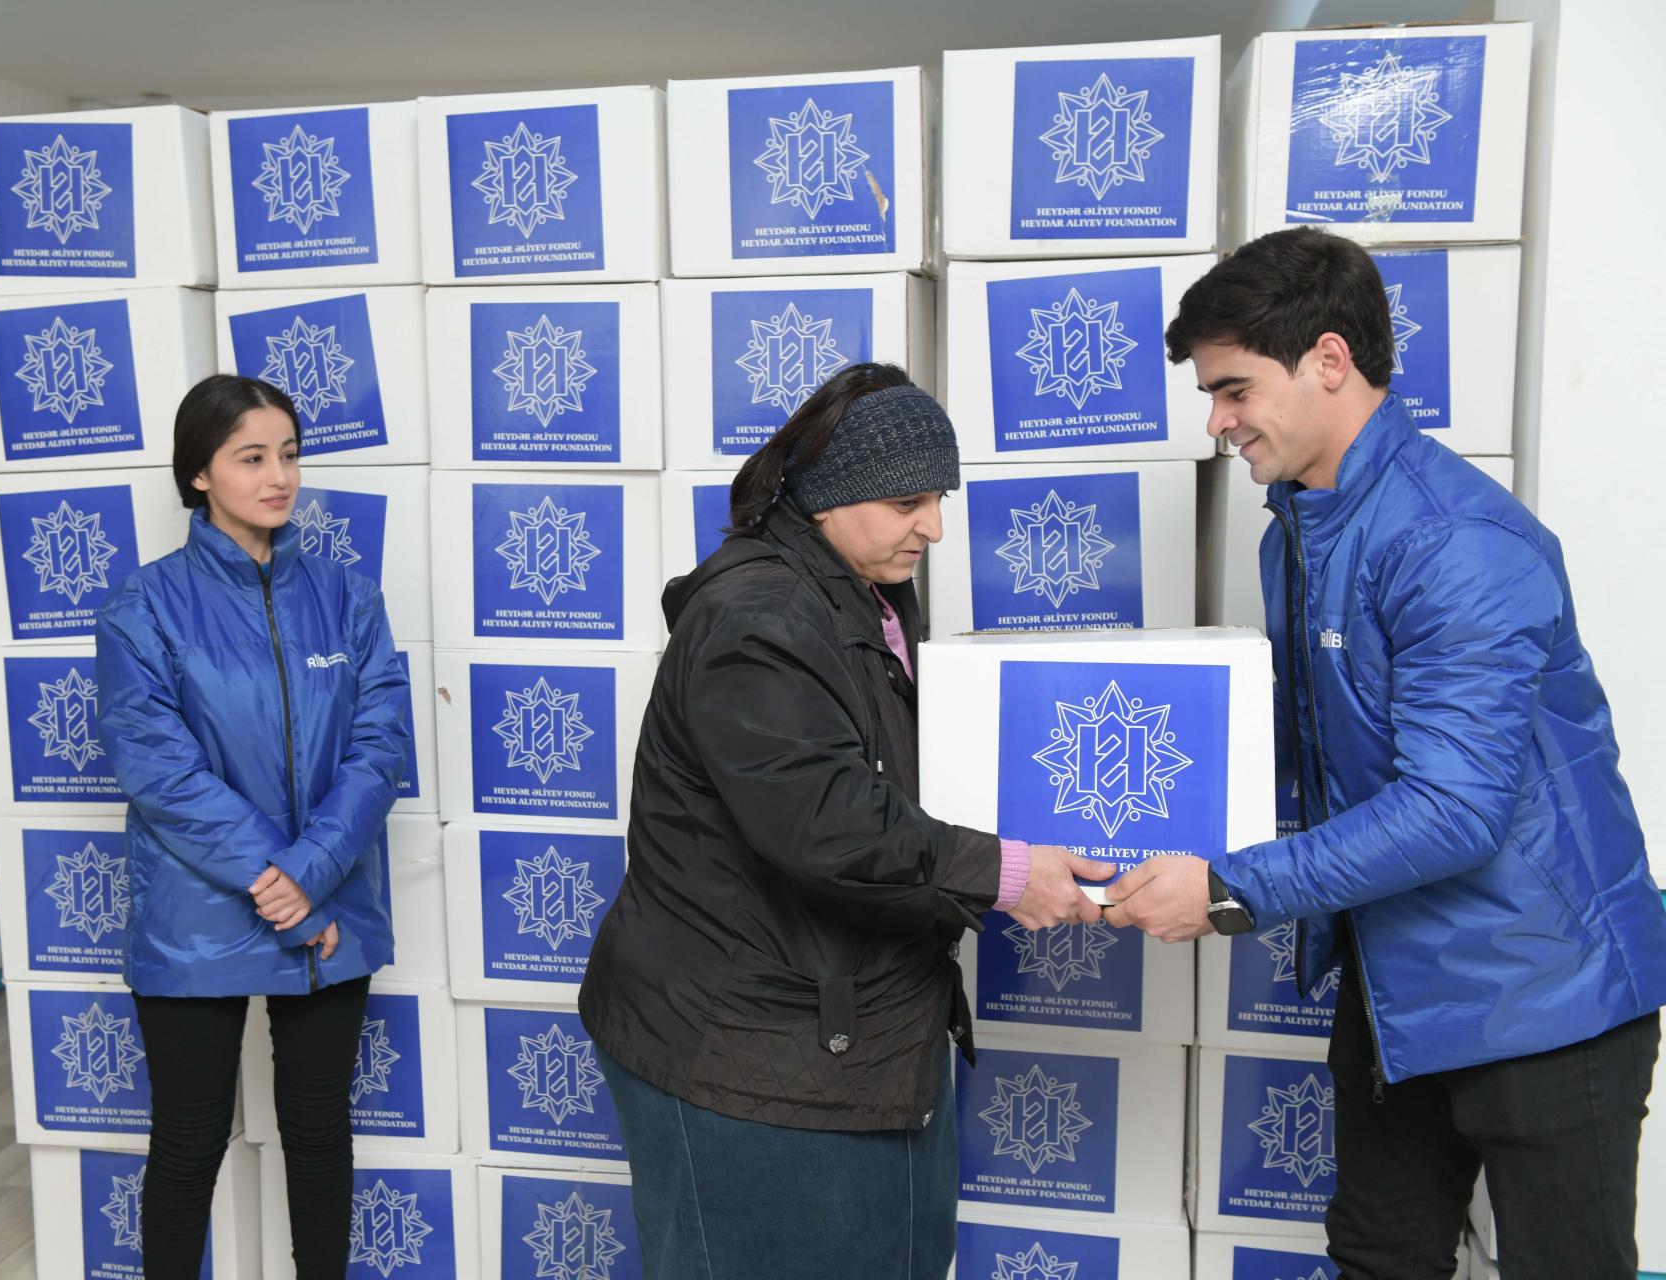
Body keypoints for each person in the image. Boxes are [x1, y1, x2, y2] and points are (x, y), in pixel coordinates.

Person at [1103, 227, 1666, 1279]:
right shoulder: (1296, 533)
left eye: (1232, 388)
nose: (1216, 422)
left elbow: (1455, 808)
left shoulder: (1456, 540)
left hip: (1547, 993)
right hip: (1399, 989)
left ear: (1328, 358)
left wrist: (1225, 886)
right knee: (1377, 1257)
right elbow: (1317, 762)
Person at [578, 363, 1115, 1280]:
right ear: (828, 498)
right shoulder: (761, 616)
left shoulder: (857, 590)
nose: (935, 527)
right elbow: (828, 821)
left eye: (939, 497)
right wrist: (1008, 873)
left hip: (847, 1037)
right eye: (908, 500)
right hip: (751, 1054)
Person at [94, 374, 412, 1279]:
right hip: (196, 914)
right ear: (198, 473)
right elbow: (157, 766)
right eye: (252, 457)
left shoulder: (348, 597)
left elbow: (381, 741)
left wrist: (309, 874)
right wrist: (284, 886)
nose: (280, 476)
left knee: (319, 1134)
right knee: (189, 1142)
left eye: (290, 454)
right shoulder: (144, 605)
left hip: (329, 900)